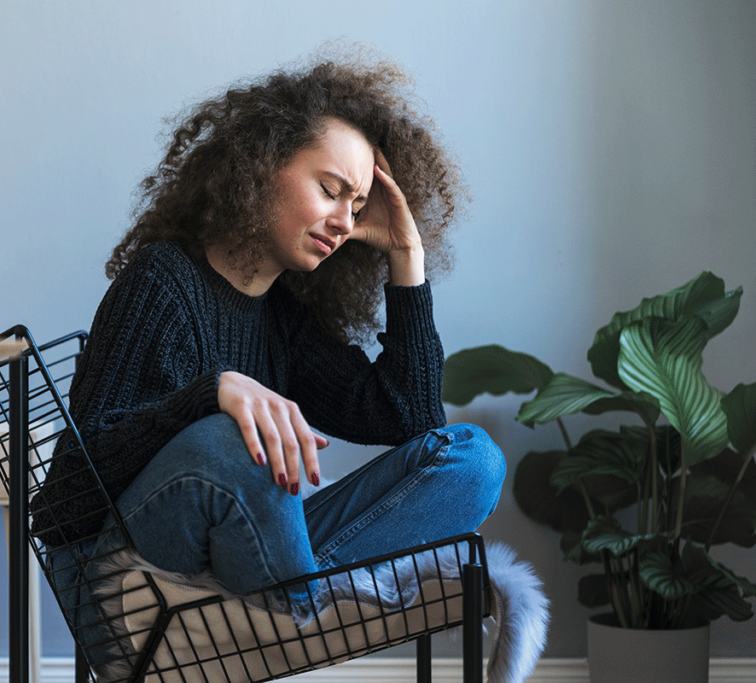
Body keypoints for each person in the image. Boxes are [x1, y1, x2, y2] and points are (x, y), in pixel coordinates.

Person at [33, 53, 506, 666]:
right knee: (237, 436)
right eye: (331, 190)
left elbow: (410, 419)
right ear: (260, 168)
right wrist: (215, 394)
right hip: (122, 571)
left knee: (472, 458)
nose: (343, 220)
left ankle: (286, 611)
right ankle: (298, 612)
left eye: (357, 209)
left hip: (237, 576)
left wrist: (405, 256)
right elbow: (74, 487)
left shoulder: (285, 318)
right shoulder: (162, 280)